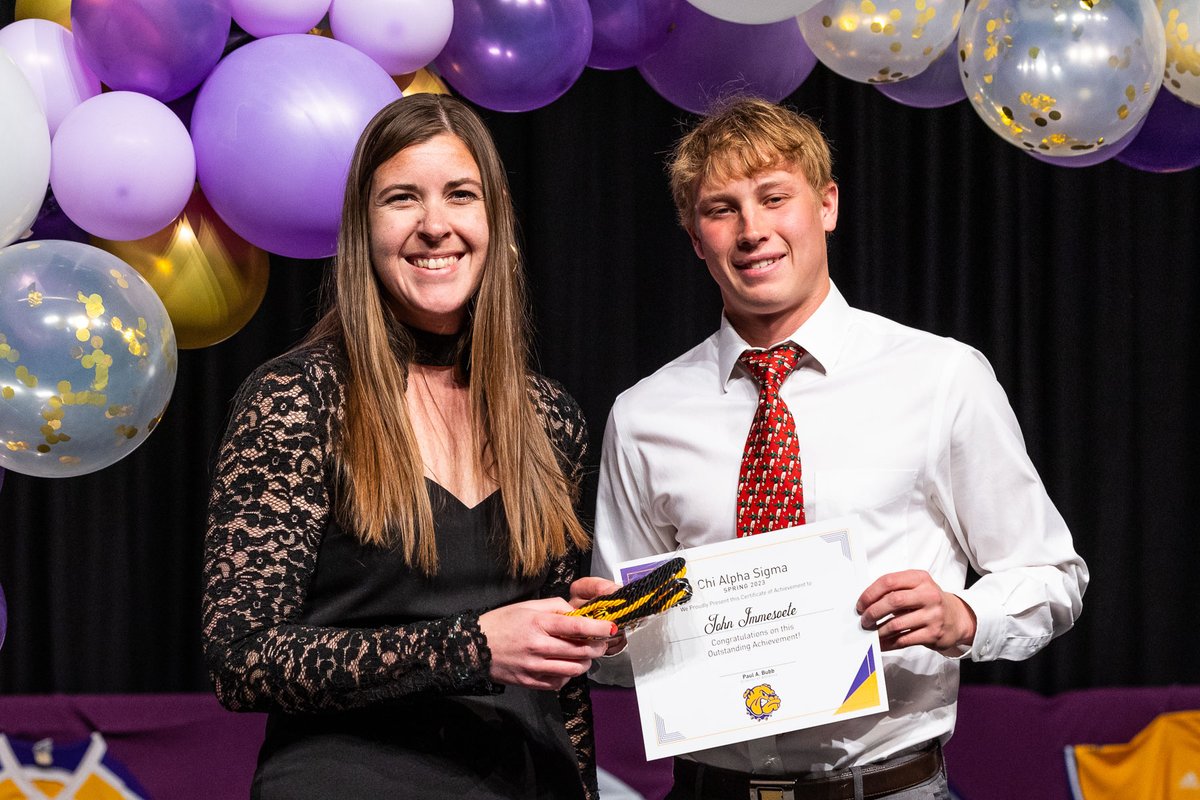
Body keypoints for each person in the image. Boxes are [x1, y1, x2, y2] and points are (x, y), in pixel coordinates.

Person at [589, 97, 1089, 799]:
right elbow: (624, 645)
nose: (752, 231)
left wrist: (963, 615)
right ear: (695, 236)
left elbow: (1052, 575)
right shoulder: (644, 414)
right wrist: (608, 633)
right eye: (721, 208)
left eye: (773, 197)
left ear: (825, 204)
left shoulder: (941, 377)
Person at [200, 93, 616, 800]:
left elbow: (562, 691)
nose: (435, 226)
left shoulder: (549, 417)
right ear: (364, 227)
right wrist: (474, 647)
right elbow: (241, 658)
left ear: (495, 222)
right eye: (402, 198)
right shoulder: (299, 399)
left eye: (460, 195)